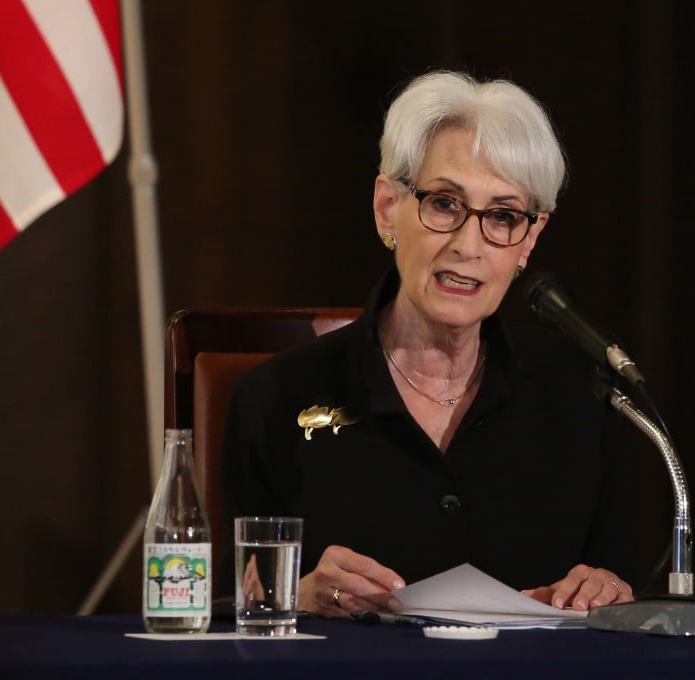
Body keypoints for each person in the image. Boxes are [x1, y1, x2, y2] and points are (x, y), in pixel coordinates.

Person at [221, 70, 634, 617]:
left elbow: (619, 581)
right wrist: (293, 596)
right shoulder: (274, 398)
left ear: (529, 239)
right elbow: (210, 604)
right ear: (387, 207)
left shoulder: (581, 391)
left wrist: (607, 589)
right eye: (444, 204)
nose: (469, 245)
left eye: (504, 216)